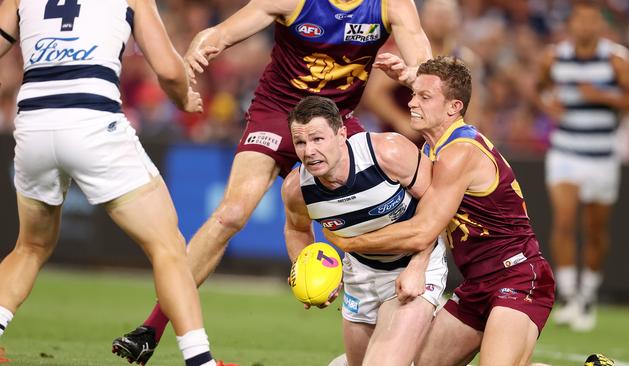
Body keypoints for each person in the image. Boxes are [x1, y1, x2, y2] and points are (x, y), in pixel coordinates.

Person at [113, 0, 432, 363]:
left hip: (333, 124)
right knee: (231, 213)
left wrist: (412, 73)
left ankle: (413, 306)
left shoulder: (391, 5)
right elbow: (221, 33)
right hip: (277, 115)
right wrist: (200, 49)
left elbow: (423, 59)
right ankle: (151, 329)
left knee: (387, 207)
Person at [0, 0, 220, 365]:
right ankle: (201, 361)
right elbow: (167, 68)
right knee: (168, 245)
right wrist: (184, 99)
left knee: (31, 247)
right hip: (92, 120)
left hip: (34, 124)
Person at [325, 56, 555, 366]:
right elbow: (429, 224)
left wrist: (349, 242)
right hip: (476, 284)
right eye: (413, 93)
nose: (411, 103)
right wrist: (417, 266)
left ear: (454, 107)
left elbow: (423, 229)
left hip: (517, 276)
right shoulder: (431, 149)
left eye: (423, 97)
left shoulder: (460, 152)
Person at [283, 95, 447, 366]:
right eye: (300, 142)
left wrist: (418, 266)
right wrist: (308, 273)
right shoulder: (296, 190)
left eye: (317, 139)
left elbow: (436, 206)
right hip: (360, 274)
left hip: (415, 264)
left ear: (341, 135)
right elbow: (296, 229)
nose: (308, 151)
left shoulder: (387, 153)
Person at [535, 0, 629, 331]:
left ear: (601, 24)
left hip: (602, 153)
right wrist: (548, 106)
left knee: (595, 229)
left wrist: (602, 96)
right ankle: (570, 296)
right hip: (565, 150)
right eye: (581, 20)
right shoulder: (554, 56)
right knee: (565, 221)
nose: (587, 26)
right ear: (572, 24)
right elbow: (539, 88)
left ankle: (589, 293)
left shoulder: (617, 59)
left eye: (593, 20)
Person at [362, 0, 484, 143]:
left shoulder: (466, 60)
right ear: (422, 17)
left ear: (458, 19)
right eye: (436, 15)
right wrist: (400, 120)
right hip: (403, 140)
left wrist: (468, 137)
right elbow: (373, 94)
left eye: (446, 15)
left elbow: (473, 105)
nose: (441, 21)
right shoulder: (402, 54)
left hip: (445, 141)